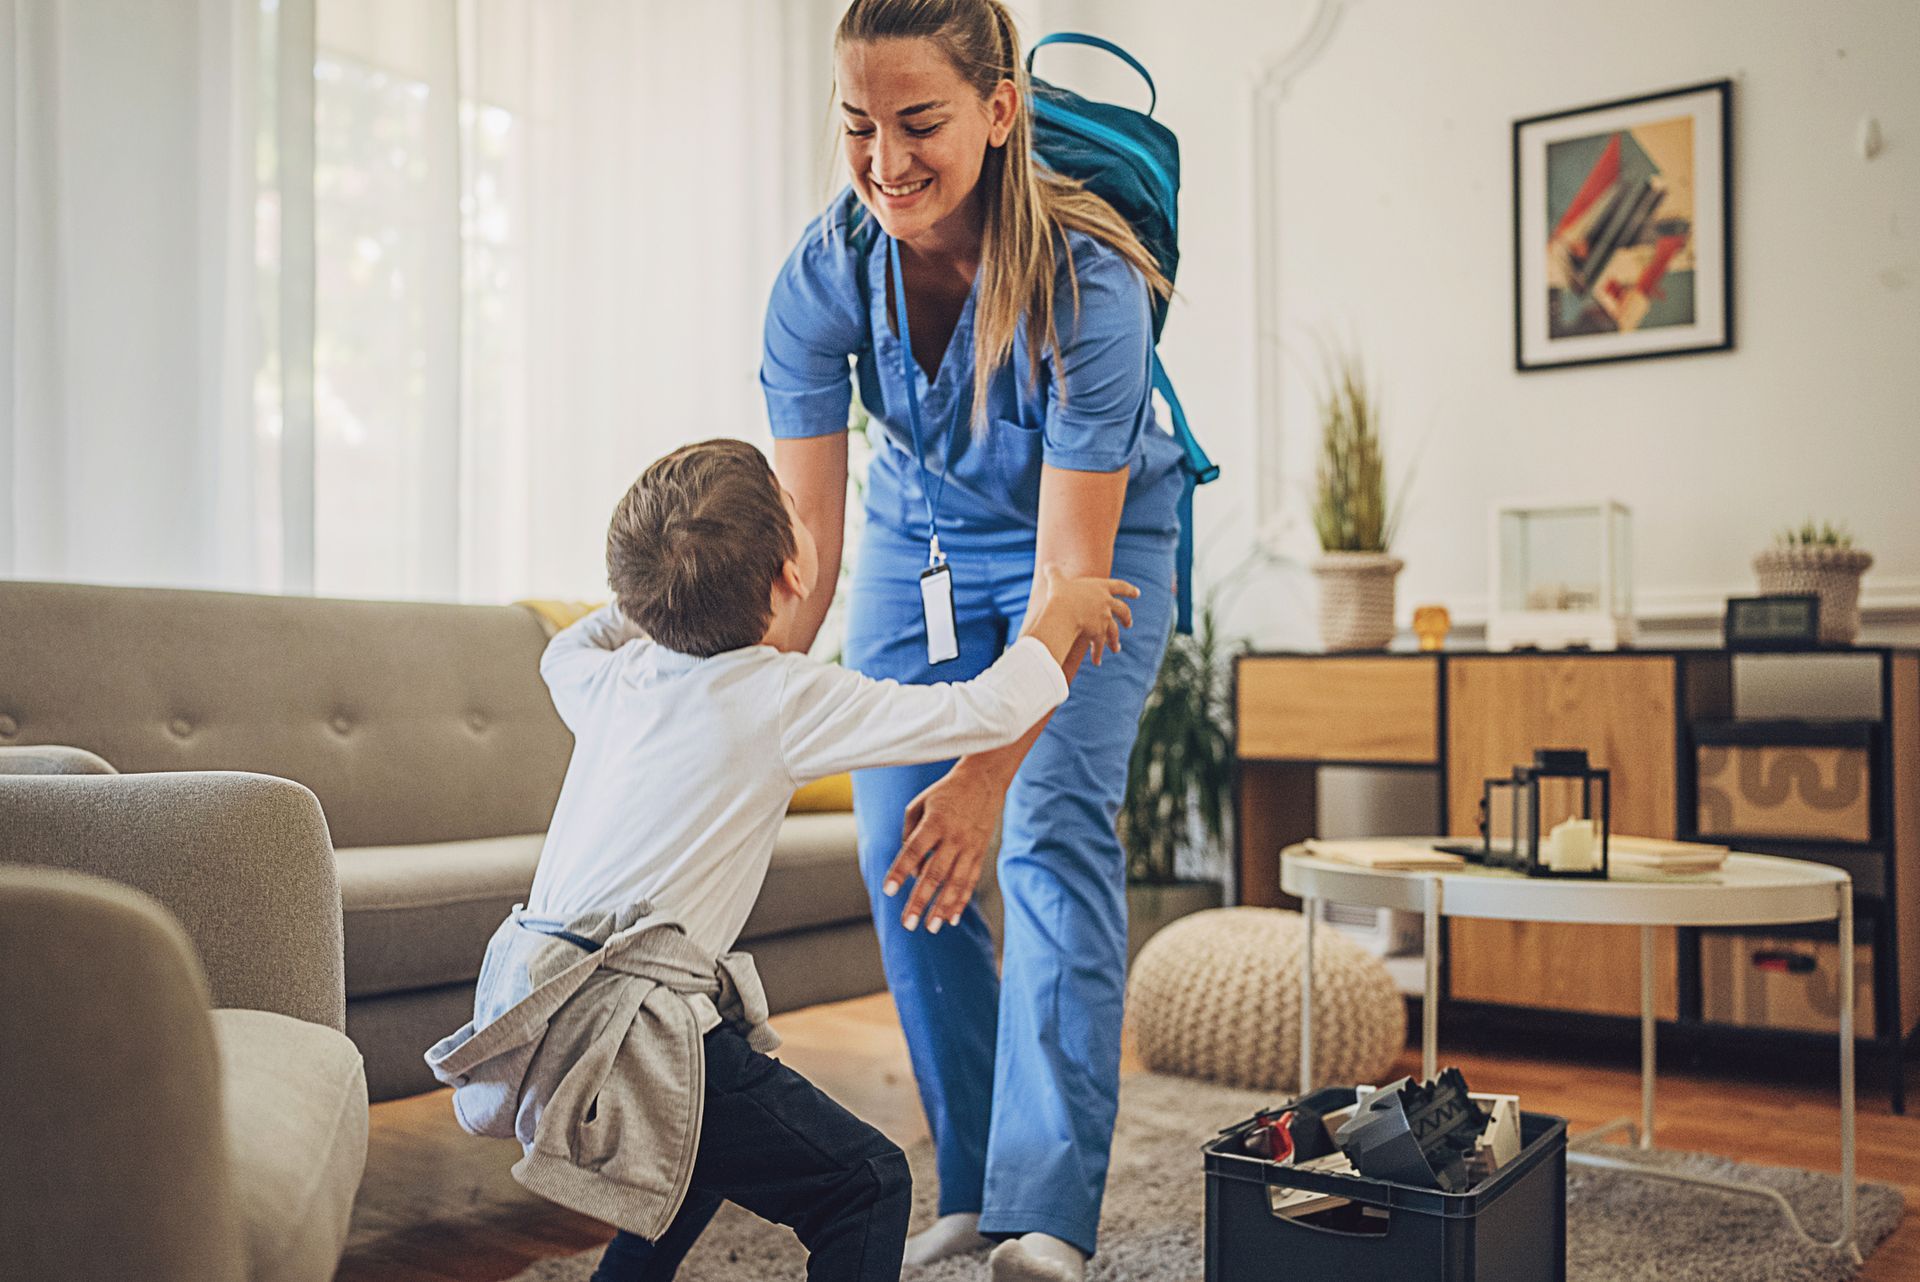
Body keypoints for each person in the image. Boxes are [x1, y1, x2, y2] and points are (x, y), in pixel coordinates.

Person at [425, 438, 1138, 1282]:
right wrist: (1056, 614)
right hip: (634, 1024)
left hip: (536, 1000)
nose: (808, 517)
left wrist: (654, 593)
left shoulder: (609, 679)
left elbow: (562, 647)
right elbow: (985, 710)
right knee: (867, 1182)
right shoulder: (779, 696)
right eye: (796, 515)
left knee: (687, 1155)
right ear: (792, 577)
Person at [761, 2, 1185, 1278]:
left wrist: (989, 771)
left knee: (1046, 821)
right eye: (858, 123)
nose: (886, 158)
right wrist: (726, 722)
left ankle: (1047, 1211)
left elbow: (1071, 577)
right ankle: (976, 1173)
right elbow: (805, 561)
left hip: (1099, 545)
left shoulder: (1091, 284)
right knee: (900, 835)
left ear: (1000, 114)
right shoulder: (821, 277)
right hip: (921, 532)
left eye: (921, 122)